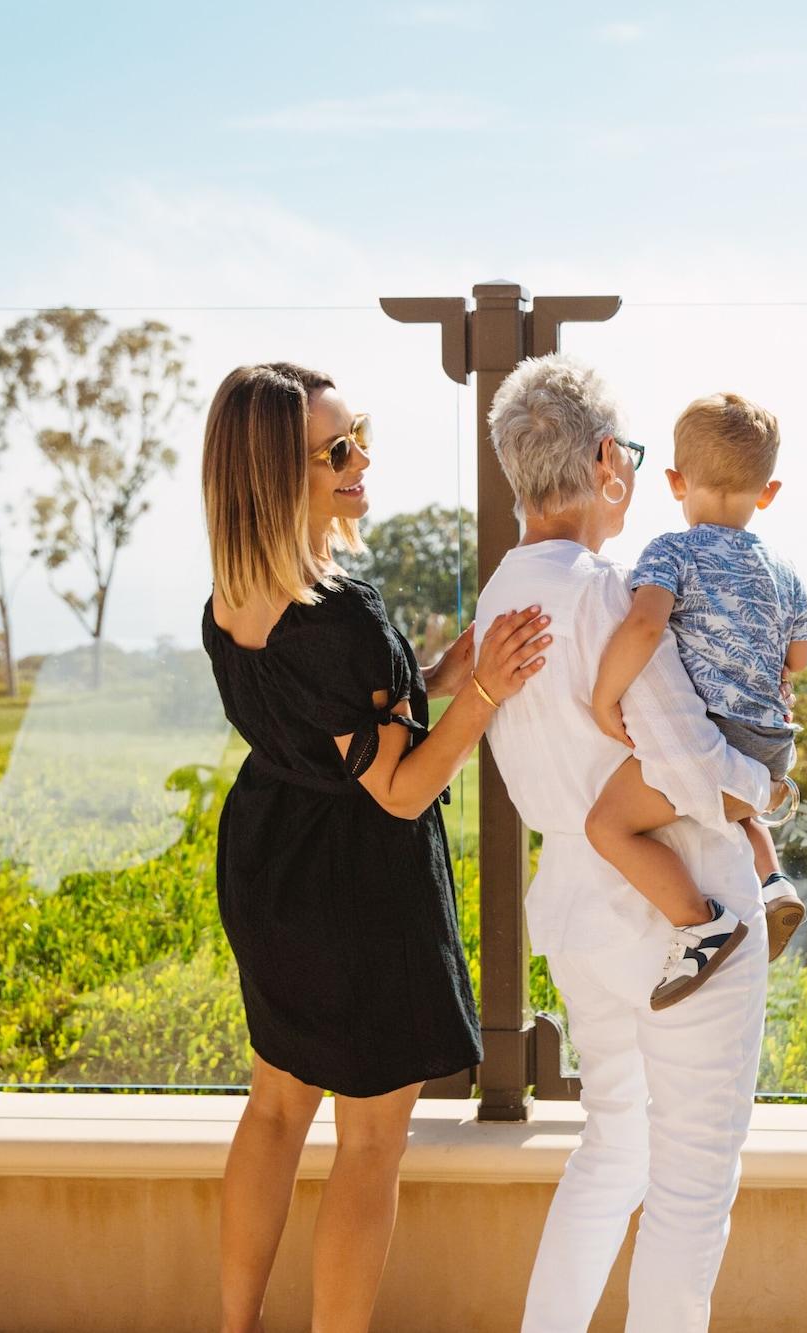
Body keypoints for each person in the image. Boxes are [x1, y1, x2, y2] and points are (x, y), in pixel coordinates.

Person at [199, 362, 549, 1333]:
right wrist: (486, 694)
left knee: (275, 1107)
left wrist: (447, 664)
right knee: (366, 1142)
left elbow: (337, 726)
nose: (360, 463)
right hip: (358, 888)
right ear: (276, 474)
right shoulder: (339, 613)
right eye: (336, 451)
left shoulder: (230, 599)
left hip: (269, 867)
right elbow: (397, 788)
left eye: (361, 438)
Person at [471, 354, 792, 1332]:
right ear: (607, 459)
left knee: (612, 1149)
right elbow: (687, 759)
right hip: (674, 905)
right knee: (692, 1186)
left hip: (573, 905)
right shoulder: (607, 593)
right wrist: (764, 788)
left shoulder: (496, 599)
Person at [587, 391, 807, 1008]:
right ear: (767, 492)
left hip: (711, 737)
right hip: (771, 746)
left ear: (675, 481)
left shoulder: (671, 551)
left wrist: (605, 699)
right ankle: (773, 883)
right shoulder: (784, 570)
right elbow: (799, 659)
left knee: (606, 825)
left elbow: (643, 627)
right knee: (745, 806)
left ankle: (698, 922)